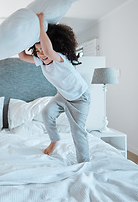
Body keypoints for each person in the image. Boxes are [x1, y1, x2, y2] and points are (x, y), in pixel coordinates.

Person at [18, 13, 90, 163]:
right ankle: (55, 140)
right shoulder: (42, 61)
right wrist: (23, 39)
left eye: (43, 49)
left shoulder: (59, 57)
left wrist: (40, 24)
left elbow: (49, 51)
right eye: (38, 50)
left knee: (77, 131)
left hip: (80, 98)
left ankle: (84, 162)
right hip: (63, 95)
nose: (42, 54)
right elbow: (23, 56)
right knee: (47, 113)